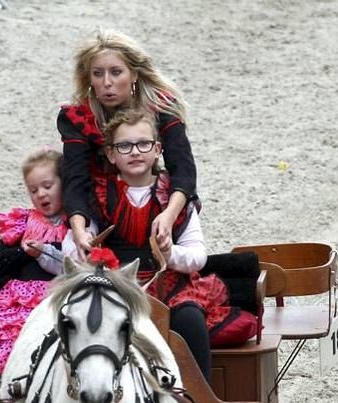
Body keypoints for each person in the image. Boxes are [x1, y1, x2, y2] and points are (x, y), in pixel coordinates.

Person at [63, 109, 258, 380]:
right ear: (111, 154)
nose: (134, 152)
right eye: (124, 146)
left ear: (157, 150)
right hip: (115, 286)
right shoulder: (98, 196)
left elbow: (197, 255)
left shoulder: (174, 198)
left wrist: (170, 252)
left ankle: (200, 397)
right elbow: (73, 244)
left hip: (170, 287)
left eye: (143, 144)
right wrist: (82, 246)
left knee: (189, 319)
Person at [58, 30, 196, 258]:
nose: (107, 83)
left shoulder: (161, 108)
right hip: (97, 205)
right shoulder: (78, 117)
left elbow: (183, 170)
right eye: (98, 74)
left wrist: (169, 215)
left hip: (150, 194)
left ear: (134, 74)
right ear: (89, 78)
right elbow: (75, 179)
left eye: (116, 72)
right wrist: (79, 230)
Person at [0, 148, 68, 374]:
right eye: (33, 190)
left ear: (65, 183)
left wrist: (45, 251)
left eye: (48, 186)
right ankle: (10, 381)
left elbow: (76, 261)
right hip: (20, 297)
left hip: (55, 294)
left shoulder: (75, 223)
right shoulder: (24, 221)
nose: (41, 194)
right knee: (1, 330)